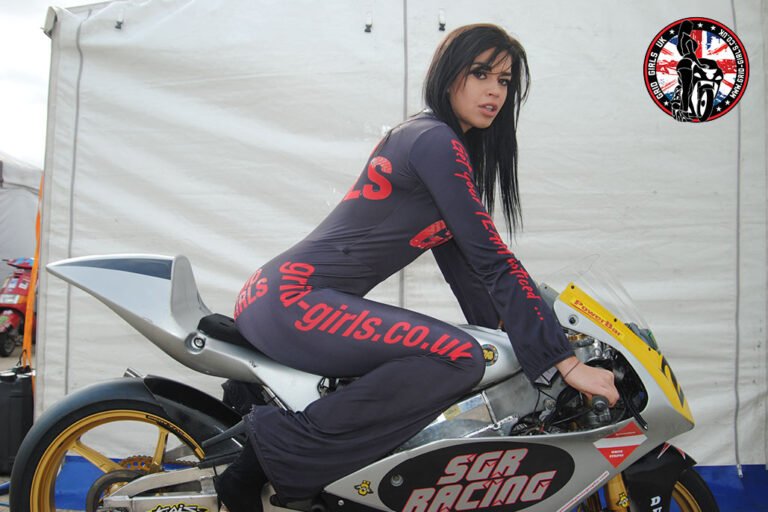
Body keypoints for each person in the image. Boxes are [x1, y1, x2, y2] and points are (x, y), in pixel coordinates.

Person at [215, 23, 619, 511]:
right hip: (293, 300)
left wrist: (530, 338)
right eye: (481, 73)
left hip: (281, 296)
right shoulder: (434, 141)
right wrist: (564, 361)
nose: (495, 90)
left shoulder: (439, 145)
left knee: (473, 352)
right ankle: (275, 454)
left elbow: (470, 273)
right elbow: (493, 259)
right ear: (449, 75)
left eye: (506, 81)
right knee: (458, 357)